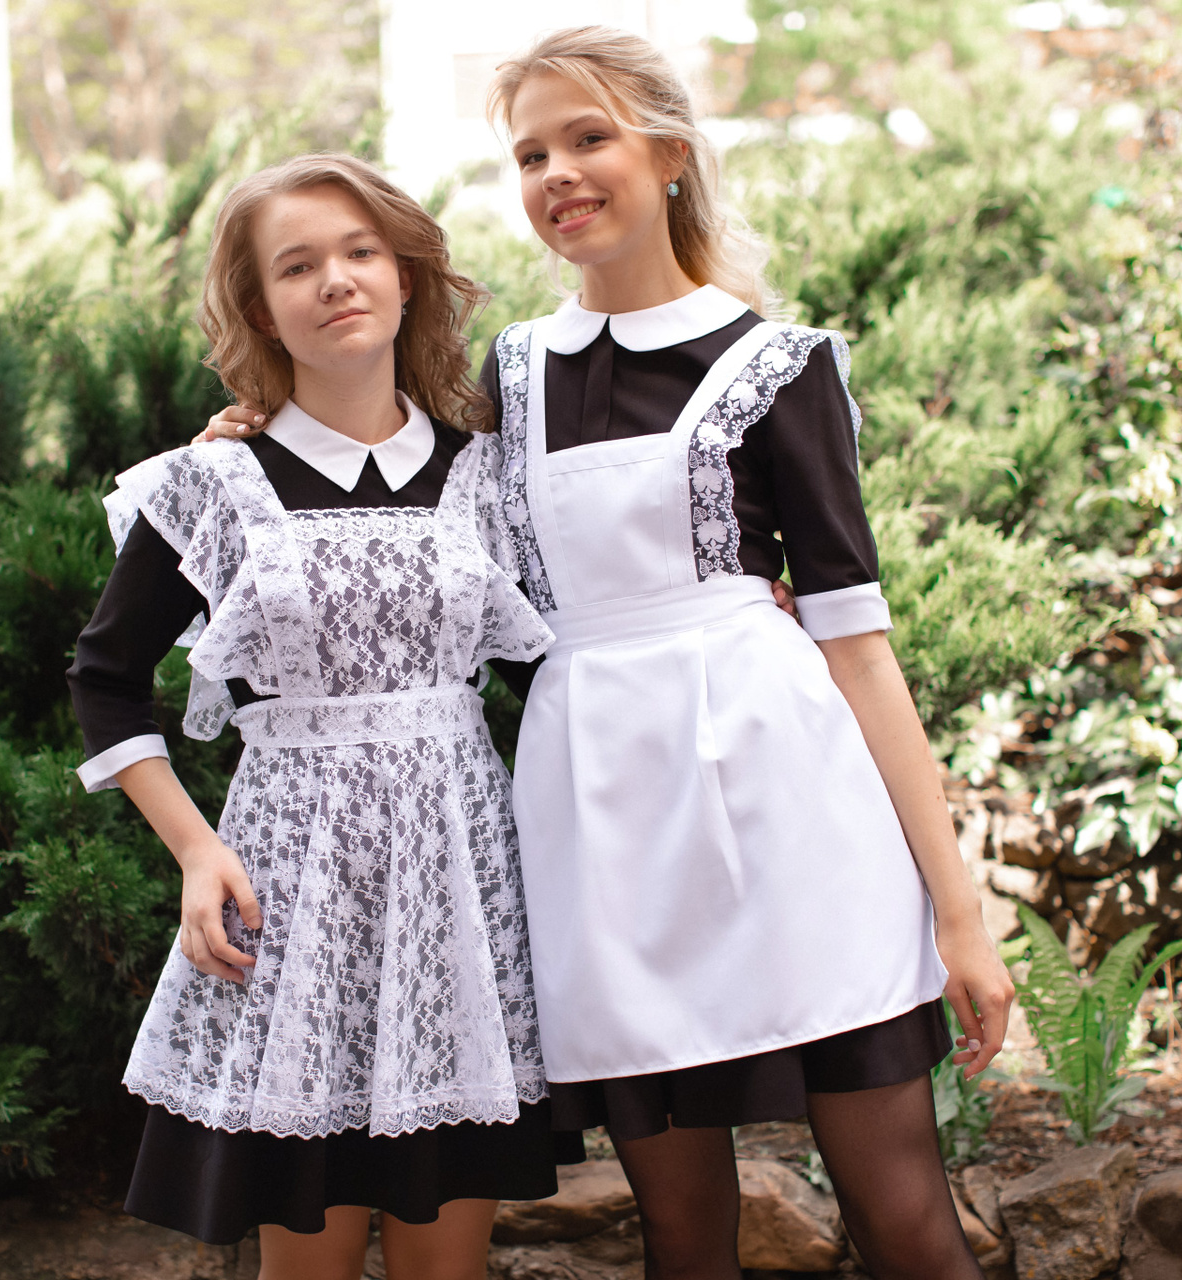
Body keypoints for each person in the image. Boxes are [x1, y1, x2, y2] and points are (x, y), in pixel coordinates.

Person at [205, 28, 1016, 1280]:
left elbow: (859, 649)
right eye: (531, 154)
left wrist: (960, 916)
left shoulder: (780, 366)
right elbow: (393, 492)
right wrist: (259, 441)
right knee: (681, 1235)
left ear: (671, 154)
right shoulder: (511, 375)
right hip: (601, 829)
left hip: (791, 813)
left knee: (907, 1223)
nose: (559, 174)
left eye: (589, 138)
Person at [67, 153, 564, 1280]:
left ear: (405, 276)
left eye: (360, 252)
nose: (335, 280)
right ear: (259, 308)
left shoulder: (487, 475)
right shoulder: (209, 484)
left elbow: (553, 672)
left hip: (458, 885)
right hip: (292, 891)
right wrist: (196, 851)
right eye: (296, 266)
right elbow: (104, 675)